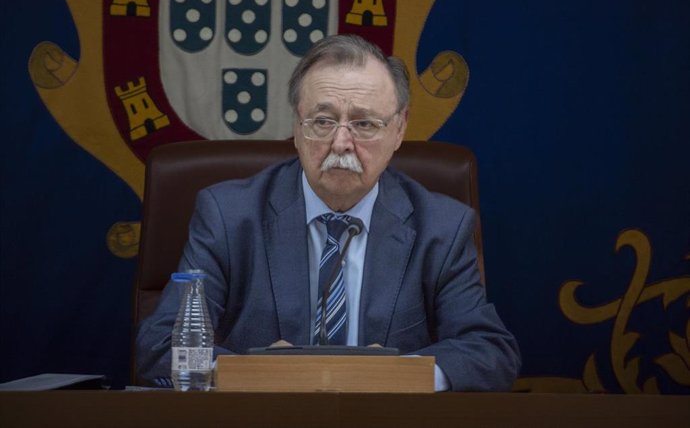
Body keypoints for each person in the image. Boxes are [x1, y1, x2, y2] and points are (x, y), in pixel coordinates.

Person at [136, 34, 520, 391]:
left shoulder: (442, 227)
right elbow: (160, 345)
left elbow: (489, 351)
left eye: (364, 124)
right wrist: (260, 375)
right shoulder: (228, 215)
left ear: (399, 129)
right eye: (322, 121)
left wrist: (397, 375)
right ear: (297, 125)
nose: (341, 143)